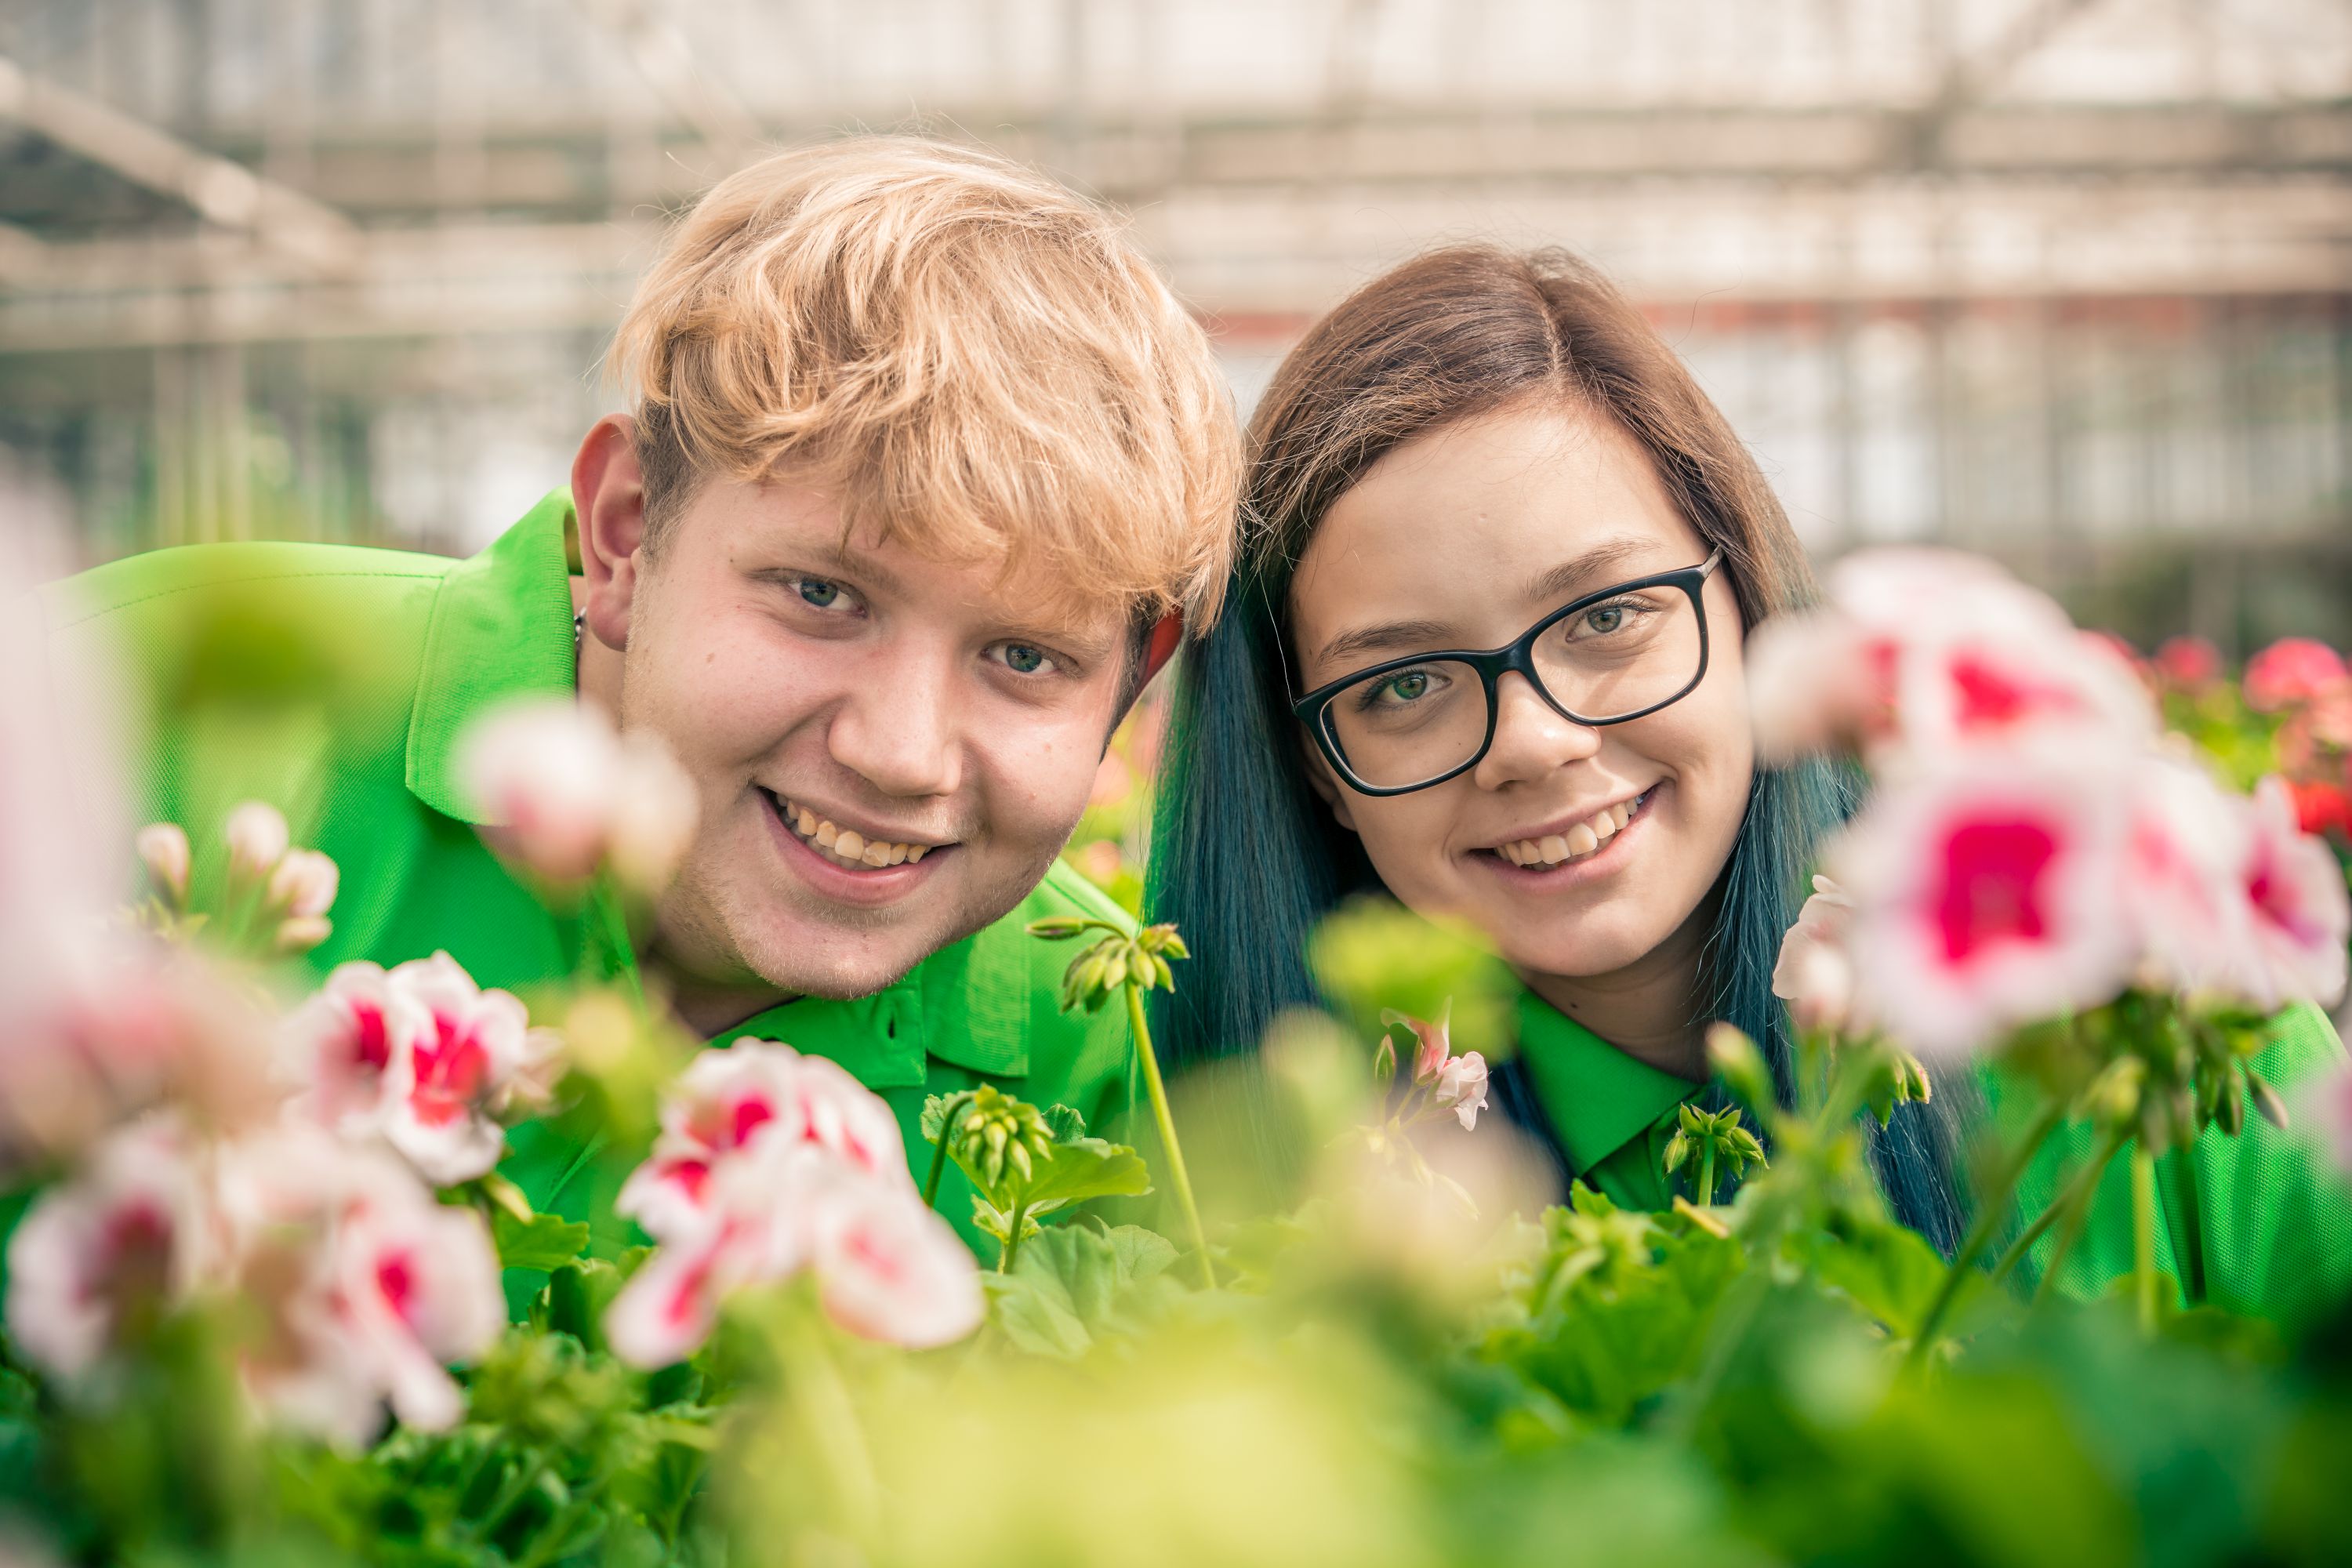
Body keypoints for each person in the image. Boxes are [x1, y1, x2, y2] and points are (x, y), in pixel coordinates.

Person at [40, 137, 1240, 1272]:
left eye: (1026, 658)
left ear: (1135, 680)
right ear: (623, 535)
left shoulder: (1099, 1030)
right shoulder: (141, 705)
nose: (899, 755)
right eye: (822, 593)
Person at [1148, 244, 2352, 1320]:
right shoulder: (1272, 1192)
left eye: (1609, 615)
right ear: (1316, 766)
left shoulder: (2163, 1019)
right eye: (1402, 685)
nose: (1534, 742)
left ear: (1747, 604)